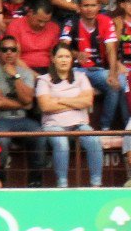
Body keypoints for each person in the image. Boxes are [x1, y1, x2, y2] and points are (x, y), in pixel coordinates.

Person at [36, 41, 103, 188]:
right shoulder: (44, 80)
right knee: (61, 143)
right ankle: (62, 185)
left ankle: (96, 185)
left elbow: (87, 101)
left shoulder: (80, 77)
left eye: (67, 56)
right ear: (53, 59)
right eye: (60, 57)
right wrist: (74, 102)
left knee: (94, 140)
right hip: (53, 125)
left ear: (72, 59)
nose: (64, 60)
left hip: (79, 124)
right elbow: (45, 106)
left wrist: (59, 100)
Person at [0, 36, 47, 186]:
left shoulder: (24, 73)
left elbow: (27, 99)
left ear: (17, 52)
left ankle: (35, 181)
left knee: (39, 134)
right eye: (4, 49)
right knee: (2, 139)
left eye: (13, 50)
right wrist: (22, 105)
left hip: (21, 120)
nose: (9, 53)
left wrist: (15, 76)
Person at [59, 0, 120, 130]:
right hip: (76, 69)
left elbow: (111, 49)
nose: (89, 9)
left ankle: (105, 128)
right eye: (86, 5)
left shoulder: (106, 21)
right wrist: (75, 54)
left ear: (99, 6)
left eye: (93, 5)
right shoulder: (70, 22)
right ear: (79, 7)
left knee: (119, 83)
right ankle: (73, 125)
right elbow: (62, 47)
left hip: (98, 70)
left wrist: (112, 73)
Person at [6, 0, 60, 73]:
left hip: (48, 70)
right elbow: (15, 58)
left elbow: (54, 56)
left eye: (46, 21)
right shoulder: (15, 26)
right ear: (30, 12)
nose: (42, 24)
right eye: (39, 21)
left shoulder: (54, 27)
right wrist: (34, 76)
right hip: (22, 69)